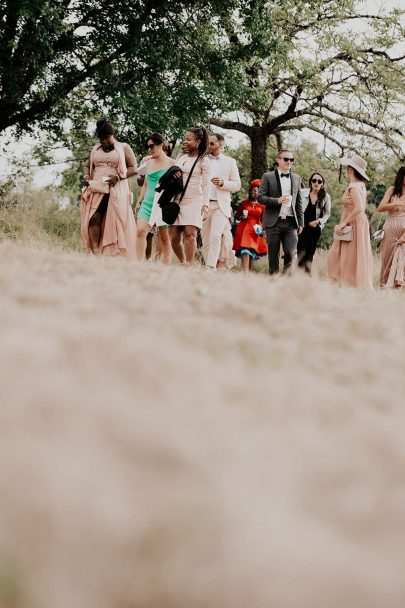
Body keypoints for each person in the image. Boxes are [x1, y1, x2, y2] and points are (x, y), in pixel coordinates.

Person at [81, 119, 137, 257]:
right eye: (101, 138)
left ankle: (115, 254)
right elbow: (86, 165)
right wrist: (86, 177)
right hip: (97, 188)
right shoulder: (96, 149)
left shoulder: (123, 147)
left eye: (106, 138)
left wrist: (118, 177)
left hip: (115, 188)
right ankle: (96, 254)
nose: (104, 141)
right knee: (93, 219)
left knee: (114, 222)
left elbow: (133, 169)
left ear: (113, 134)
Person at [327, 155, 373, 288]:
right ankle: (351, 283)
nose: (347, 169)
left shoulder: (353, 186)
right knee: (353, 255)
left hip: (353, 222)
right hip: (359, 222)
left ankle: (347, 283)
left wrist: (344, 223)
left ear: (351, 170)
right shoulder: (361, 185)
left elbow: (359, 208)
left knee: (343, 255)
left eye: (348, 167)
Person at [169, 127, 211, 265]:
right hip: (177, 199)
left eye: (188, 139)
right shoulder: (180, 157)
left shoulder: (204, 160)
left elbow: (206, 185)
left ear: (198, 141)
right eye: (184, 139)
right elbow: (171, 175)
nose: (184, 141)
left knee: (190, 234)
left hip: (194, 200)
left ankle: (189, 264)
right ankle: (183, 262)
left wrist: (205, 205)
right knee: (174, 237)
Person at [258, 149, 304, 274]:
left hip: (291, 223)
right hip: (273, 222)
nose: (289, 162)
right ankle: (274, 281)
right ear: (278, 160)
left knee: (291, 252)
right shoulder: (268, 176)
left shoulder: (296, 178)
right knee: (273, 255)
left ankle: (286, 281)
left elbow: (299, 202)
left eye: (291, 160)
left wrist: (301, 222)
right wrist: (277, 200)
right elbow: (260, 197)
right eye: (286, 159)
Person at [201, 133, 241, 269]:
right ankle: (208, 264)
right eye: (208, 143)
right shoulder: (201, 159)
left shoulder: (230, 162)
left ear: (221, 144)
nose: (209, 146)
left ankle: (211, 267)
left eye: (212, 143)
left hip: (220, 205)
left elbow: (237, 185)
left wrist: (223, 183)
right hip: (203, 205)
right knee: (205, 238)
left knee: (215, 235)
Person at [134, 133, 175, 264]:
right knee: (140, 231)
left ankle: (164, 267)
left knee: (165, 238)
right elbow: (145, 184)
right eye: (148, 147)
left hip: (163, 204)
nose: (150, 149)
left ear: (161, 145)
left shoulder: (172, 163)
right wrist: (139, 202)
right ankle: (138, 264)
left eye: (152, 146)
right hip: (147, 203)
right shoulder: (148, 162)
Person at [297, 172, 331, 273]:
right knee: (300, 253)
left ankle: (307, 279)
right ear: (311, 182)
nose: (316, 183)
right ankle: (298, 277)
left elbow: (327, 214)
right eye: (314, 180)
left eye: (319, 181)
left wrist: (318, 221)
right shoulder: (303, 193)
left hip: (314, 230)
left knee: (309, 255)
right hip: (302, 228)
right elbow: (297, 208)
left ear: (322, 184)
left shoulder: (326, 197)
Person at [377, 166, 405, 287]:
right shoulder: (391, 190)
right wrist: (396, 203)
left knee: (402, 258)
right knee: (387, 259)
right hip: (389, 229)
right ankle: (385, 287)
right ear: (401, 176)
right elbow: (380, 207)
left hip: (403, 230)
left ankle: (399, 285)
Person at [233, 179, 268, 272]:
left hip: (255, 230)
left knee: (252, 251)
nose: (253, 192)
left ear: (259, 192)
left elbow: (263, 219)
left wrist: (263, 230)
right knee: (245, 249)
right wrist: (241, 216)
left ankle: (250, 272)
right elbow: (236, 216)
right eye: (251, 190)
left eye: (255, 191)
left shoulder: (262, 205)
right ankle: (245, 272)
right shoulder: (244, 203)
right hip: (244, 228)